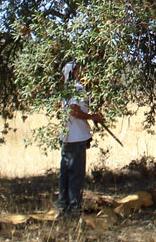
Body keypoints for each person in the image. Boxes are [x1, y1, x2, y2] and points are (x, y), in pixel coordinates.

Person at [57, 60, 103, 218]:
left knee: (65, 174)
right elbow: (74, 111)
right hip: (76, 139)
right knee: (76, 175)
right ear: (74, 72)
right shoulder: (76, 88)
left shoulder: (66, 88)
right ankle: (74, 210)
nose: (82, 73)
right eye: (79, 70)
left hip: (67, 137)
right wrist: (91, 116)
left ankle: (63, 208)